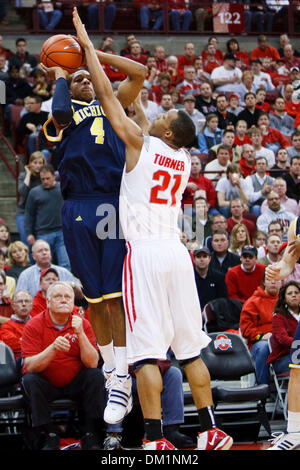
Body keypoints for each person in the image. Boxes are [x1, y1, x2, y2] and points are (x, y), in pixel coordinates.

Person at [73, 8, 233, 451]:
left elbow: (109, 95)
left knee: (145, 353)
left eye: (167, 115)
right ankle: (210, 430)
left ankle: (154, 439)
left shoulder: (142, 143)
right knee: (190, 349)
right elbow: (141, 99)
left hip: (143, 255)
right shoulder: (181, 159)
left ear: (167, 129)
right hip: (177, 255)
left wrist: (90, 52)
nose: (159, 114)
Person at [41, 41, 147, 426]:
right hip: (77, 205)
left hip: (111, 203)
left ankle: (123, 373)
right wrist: (62, 77)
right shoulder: (63, 110)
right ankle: (109, 368)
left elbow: (138, 74)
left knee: (115, 296)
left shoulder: (113, 103)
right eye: (79, 79)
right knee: (95, 298)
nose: (86, 82)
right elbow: (60, 111)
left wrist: (92, 57)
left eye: (90, 79)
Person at [21, 281, 105, 450]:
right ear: (48, 302)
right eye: (58, 296)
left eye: (67, 297)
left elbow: (92, 363)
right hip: (46, 383)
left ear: (73, 302)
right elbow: (29, 366)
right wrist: (52, 349)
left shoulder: (82, 324)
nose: (63, 300)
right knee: (30, 380)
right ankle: (47, 435)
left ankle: (90, 432)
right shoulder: (34, 325)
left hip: (75, 382)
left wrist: (80, 334)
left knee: (95, 376)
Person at [265, 217, 300, 449]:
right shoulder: (296, 224)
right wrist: (278, 270)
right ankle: (295, 432)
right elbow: (288, 264)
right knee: (296, 370)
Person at [24, 164, 71, 271]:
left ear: (54, 176)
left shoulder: (63, 189)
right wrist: (29, 233)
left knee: (65, 263)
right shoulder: (34, 192)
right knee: (43, 264)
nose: (45, 181)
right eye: (42, 179)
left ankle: (65, 287)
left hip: (62, 231)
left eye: (48, 178)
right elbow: (29, 214)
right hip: (43, 233)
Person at [239, 273, 281, 384]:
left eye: (277, 280)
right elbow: (245, 329)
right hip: (259, 342)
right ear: (263, 282)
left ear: (281, 283)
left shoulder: (286, 301)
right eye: (270, 279)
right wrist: (262, 336)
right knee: (264, 347)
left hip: (282, 340)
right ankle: (263, 388)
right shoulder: (253, 302)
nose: (273, 282)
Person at [267, 281, 300, 377]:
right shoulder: (278, 317)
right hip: (283, 358)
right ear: (284, 298)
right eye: (290, 293)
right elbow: (282, 339)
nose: (294, 295)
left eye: (297, 293)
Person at [16, 151, 46, 244]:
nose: (37, 165)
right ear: (30, 163)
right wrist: (28, 174)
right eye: (35, 162)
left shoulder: (44, 178)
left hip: (39, 214)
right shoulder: (23, 176)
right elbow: (22, 192)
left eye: (40, 163)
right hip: (23, 213)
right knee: (27, 242)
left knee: (40, 244)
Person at [0, 289, 32, 361]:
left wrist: (22, 339)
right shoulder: (6, 326)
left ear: (31, 305)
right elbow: (12, 345)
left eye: (27, 301)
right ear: (13, 306)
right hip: (17, 364)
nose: (24, 304)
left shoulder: (37, 324)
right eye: (20, 301)